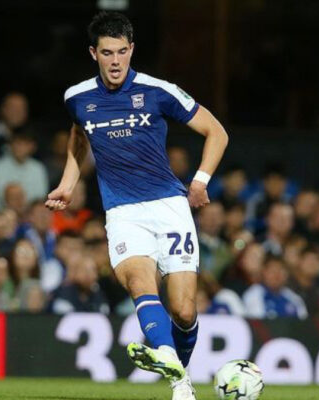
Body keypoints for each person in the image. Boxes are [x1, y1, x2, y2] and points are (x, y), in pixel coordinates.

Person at [45, 12, 228, 400]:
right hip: (123, 212)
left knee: (183, 311)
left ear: (132, 51)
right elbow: (80, 136)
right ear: (93, 53)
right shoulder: (77, 98)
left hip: (169, 207)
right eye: (107, 53)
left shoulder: (159, 90)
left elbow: (216, 131)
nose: (115, 61)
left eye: (122, 52)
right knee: (139, 284)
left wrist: (199, 180)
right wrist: (67, 182)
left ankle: (176, 363)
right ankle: (180, 383)